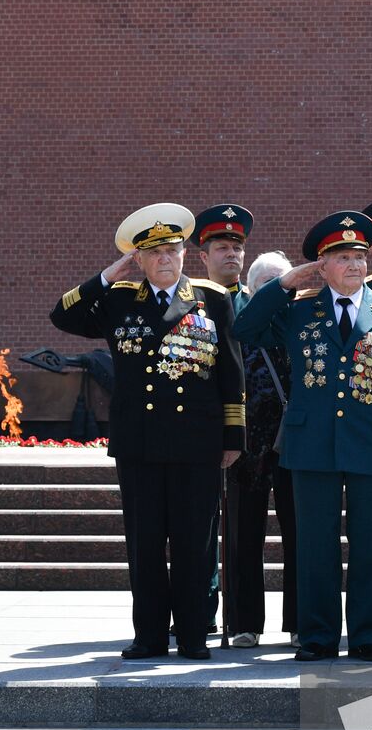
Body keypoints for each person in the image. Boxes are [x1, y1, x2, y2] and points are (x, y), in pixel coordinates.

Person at [49, 203, 245, 660]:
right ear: (138, 260)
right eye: (154, 253)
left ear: (183, 254)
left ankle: (194, 635)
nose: (165, 259)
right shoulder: (118, 298)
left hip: (198, 442)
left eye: (173, 250)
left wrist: (233, 437)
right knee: (145, 542)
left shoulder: (212, 298)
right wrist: (106, 275)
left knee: (196, 541)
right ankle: (150, 636)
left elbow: (230, 372)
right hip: (140, 442)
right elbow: (63, 315)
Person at [233, 211, 372, 662]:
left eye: (360, 256)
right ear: (322, 265)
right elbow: (244, 329)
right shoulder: (299, 309)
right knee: (315, 545)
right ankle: (317, 636)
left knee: (371, 545)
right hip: (312, 443)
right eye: (342, 257)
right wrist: (283, 284)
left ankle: (367, 636)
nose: (354, 265)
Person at [223, 251, 298, 647]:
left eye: (282, 282)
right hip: (248, 447)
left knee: (300, 535)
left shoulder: (300, 321)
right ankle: (243, 623)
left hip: (294, 445)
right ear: (252, 288)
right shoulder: (239, 322)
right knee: (242, 537)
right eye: (267, 283)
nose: (275, 290)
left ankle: (300, 622)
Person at [193, 203, 254, 634]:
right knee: (198, 529)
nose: (231, 255)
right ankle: (200, 611)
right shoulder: (187, 304)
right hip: (198, 433)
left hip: (253, 436)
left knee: (242, 533)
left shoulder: (254, 303)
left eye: (237, 247)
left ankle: (241, 619)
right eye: (221, 247)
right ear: (203, 256)